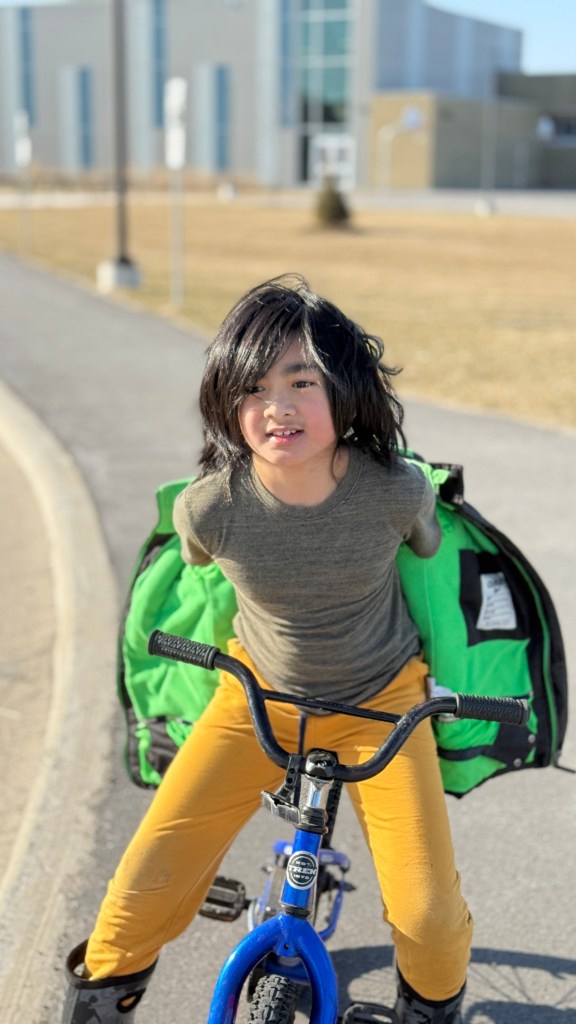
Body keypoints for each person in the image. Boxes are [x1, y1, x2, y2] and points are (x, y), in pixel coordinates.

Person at [62, 275, 472, 1024]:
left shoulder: (394, 491)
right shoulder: (210, 507)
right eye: (253, 388)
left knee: (429, 916)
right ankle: (97, 1004)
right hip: (256, 698)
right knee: (139, 889)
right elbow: (195, 560)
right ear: (227, 403)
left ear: (345, 391)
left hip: (382, 703)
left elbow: (427, 548)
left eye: (302, 382)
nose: (276, 406)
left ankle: (429, 1010)